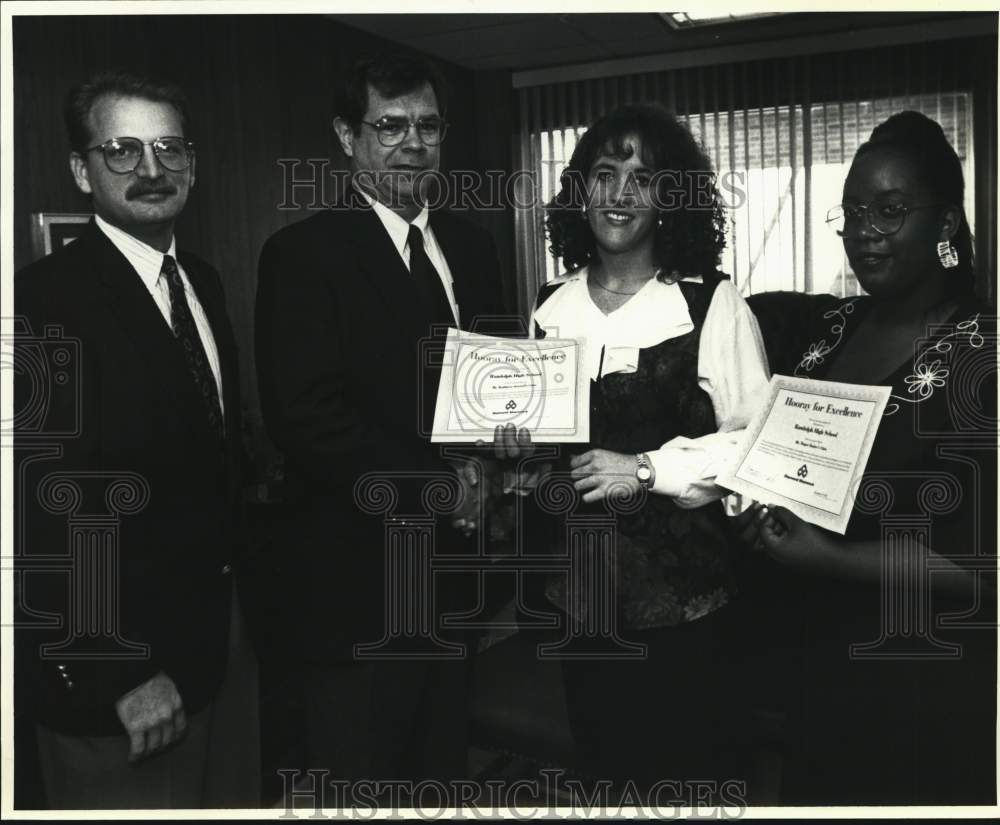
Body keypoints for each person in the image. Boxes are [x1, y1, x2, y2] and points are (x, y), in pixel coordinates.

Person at [255, 52, 507, 792]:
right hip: (357, 587)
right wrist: (437, 486)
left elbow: (493, 383)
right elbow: (306, 420)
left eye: (428, 125)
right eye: (389, 125)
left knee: (440, 774)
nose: (413, 142)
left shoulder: (472, 244)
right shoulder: (303, 255)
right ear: (346, 135)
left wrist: (503, 452)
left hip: (458, 581)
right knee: (364, 783)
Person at [736, 110, 997, 804]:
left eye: (889, 209)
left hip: (922, 682)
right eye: (852, 211)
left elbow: (985, 565)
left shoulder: (984, 354)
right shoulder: (827, 328)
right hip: (815, 665)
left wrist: (828, 558)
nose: (864, 230)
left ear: (944, 224)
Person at [514, 103, 770, 797]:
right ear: (581, 192)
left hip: (686, 613)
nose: (620, 193)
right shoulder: (549, 307)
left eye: (644, 177)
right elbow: (546, 450)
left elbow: (755, 444)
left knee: (690, 781)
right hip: (580, 606)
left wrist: (650, 467)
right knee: (603, 777)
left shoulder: (713, 306)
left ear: (670, 199)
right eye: (604, 173)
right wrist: (516, 459)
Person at [14, 70, 254, 808]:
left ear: (193, 164)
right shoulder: (39, 303)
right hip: (121, 688)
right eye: (122, 150)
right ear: (80, 170)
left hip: (215, 651)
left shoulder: (203, 284)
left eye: (169, 149)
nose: (152, 171)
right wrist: (116, 668)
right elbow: (43, 507)